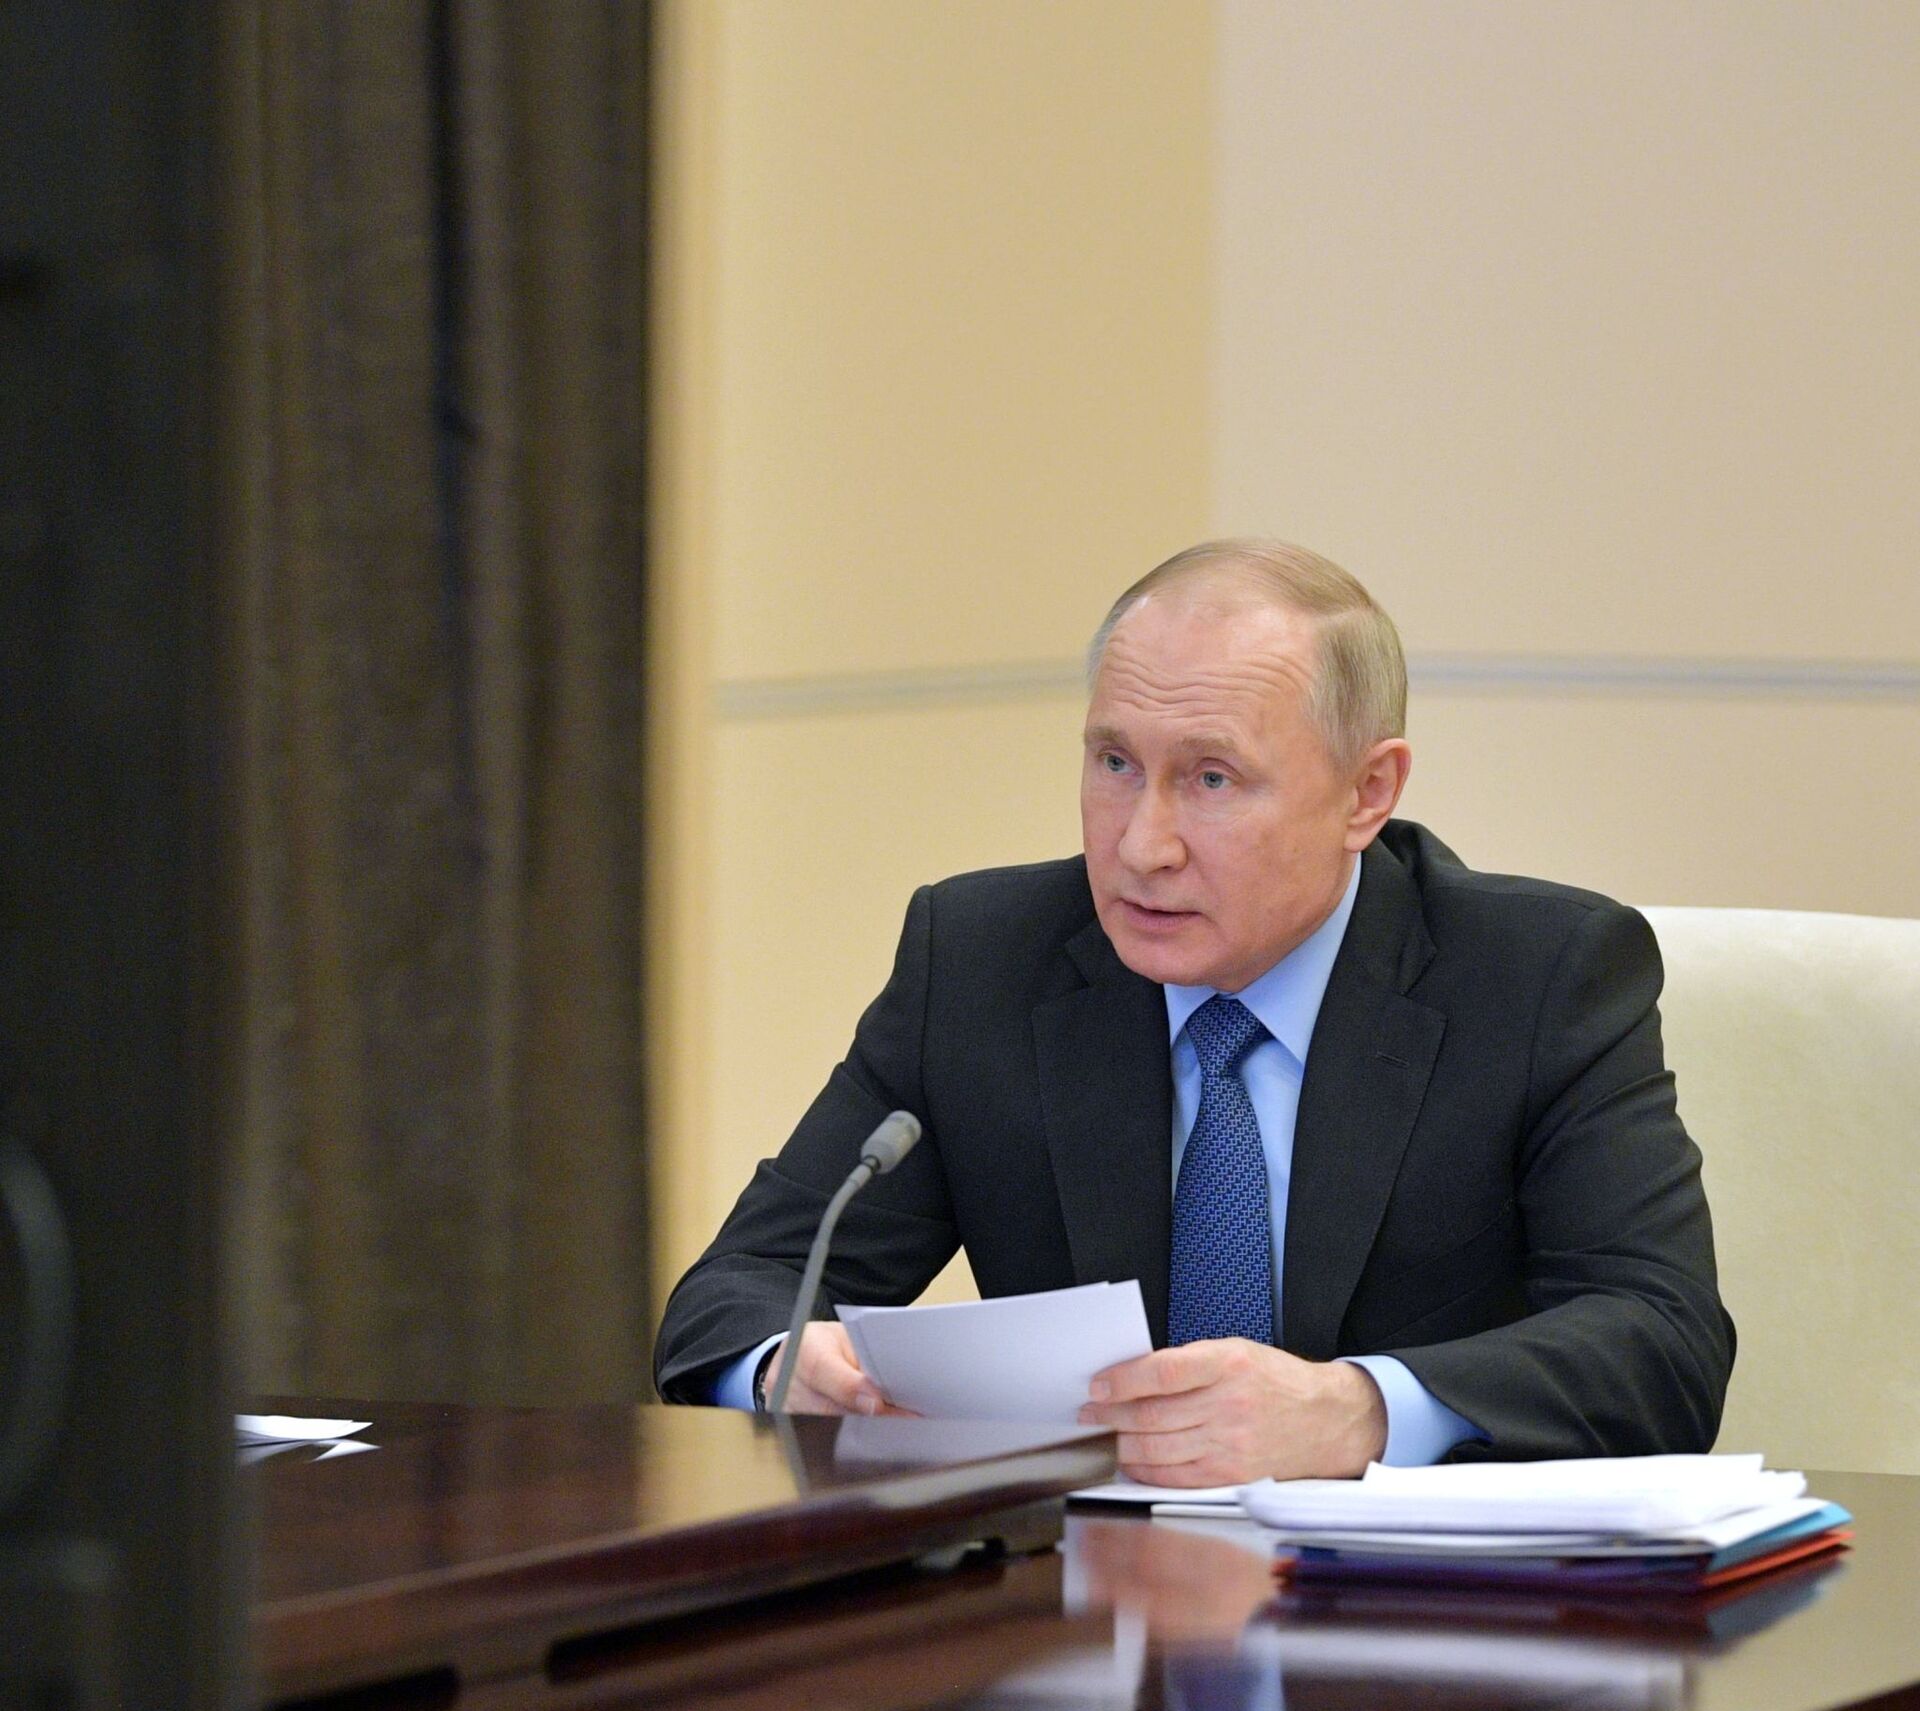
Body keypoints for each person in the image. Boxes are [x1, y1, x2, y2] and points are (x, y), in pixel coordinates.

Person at [653, 539, 1732, 1484]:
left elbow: (1662, 1344)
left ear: (1368, 793)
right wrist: (794, 1367)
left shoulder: (1538, 977)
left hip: (1422, 1615)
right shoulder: (981, 962)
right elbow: (738, 1291)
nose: (1142, 844)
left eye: (1212, 779)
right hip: (1081, 1607)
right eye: (1115, 762)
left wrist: (1355, 1410)